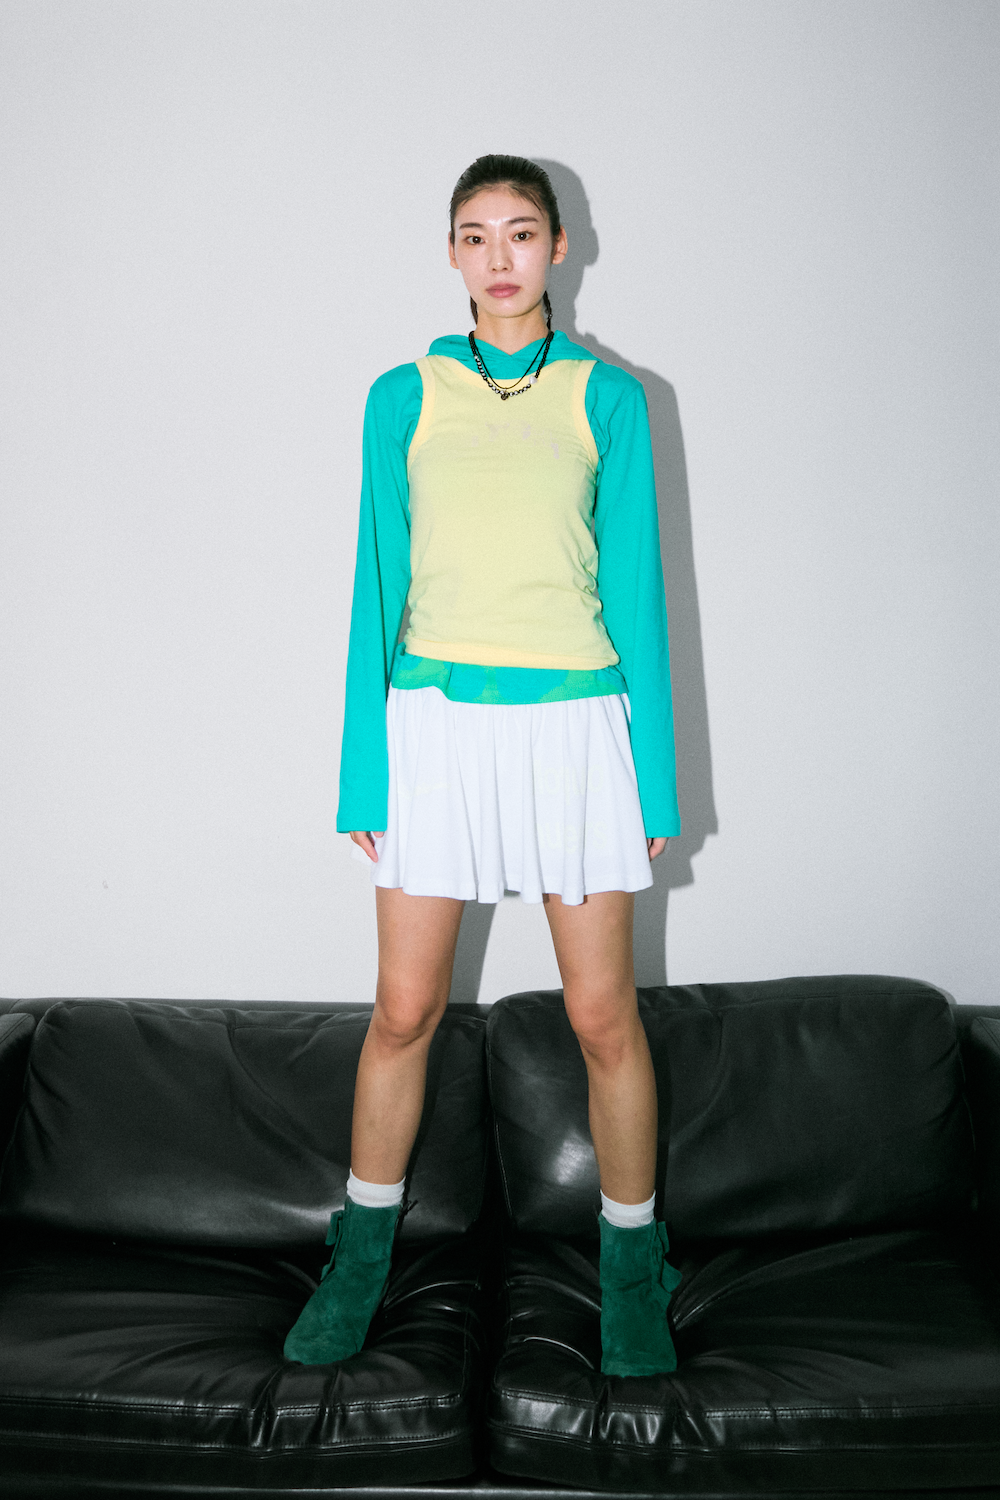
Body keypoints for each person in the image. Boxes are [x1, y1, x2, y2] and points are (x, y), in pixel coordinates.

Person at [283, 155, 682, 1377]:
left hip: (575, 725)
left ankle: (633, 1273)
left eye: (518, 232)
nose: (497, 257)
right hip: (434, 727)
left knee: (602, 1017)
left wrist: (654, 780)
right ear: (451, 253)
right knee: (403, 1011)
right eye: (473, 235)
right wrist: (363, 773)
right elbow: (377, 581)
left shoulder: (609, 399)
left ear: (559, 246)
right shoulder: (400, 397)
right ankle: (359, 1260)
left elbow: (636, 592)